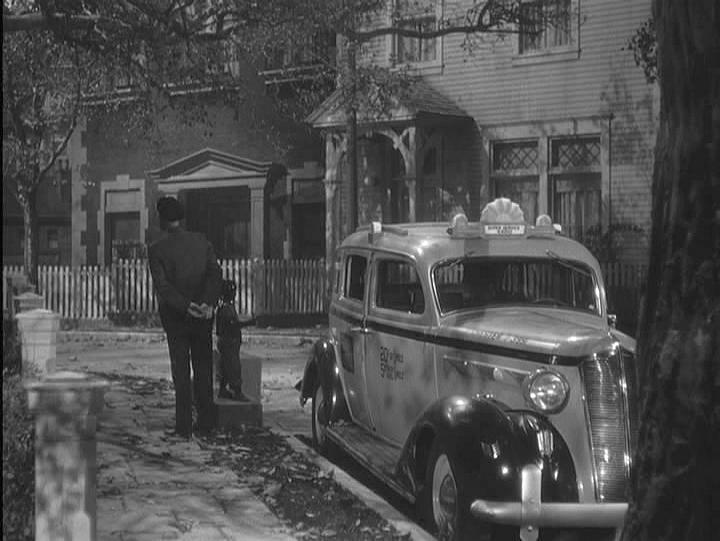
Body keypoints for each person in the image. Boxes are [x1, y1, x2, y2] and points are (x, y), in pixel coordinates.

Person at [148, 196, 222, 439]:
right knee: (203, 368)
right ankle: (207, 423)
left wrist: (186, 306)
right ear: (181, 217)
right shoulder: (202, 241)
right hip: (203, 316)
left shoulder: (157, 249)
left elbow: (164, 287)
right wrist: (207, 303)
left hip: (177, 317)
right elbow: (215, 274)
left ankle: (183, 427)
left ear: (162, 220)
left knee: (181, 370)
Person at [215, 279, 250, 402]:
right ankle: (237, 391)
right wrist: (249, 323)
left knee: (225, 366)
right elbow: (233, 325)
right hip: (229, 342)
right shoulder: (226, 308)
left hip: (226, 341)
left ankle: (223, 389)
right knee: (233, 366)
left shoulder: (223, 306)